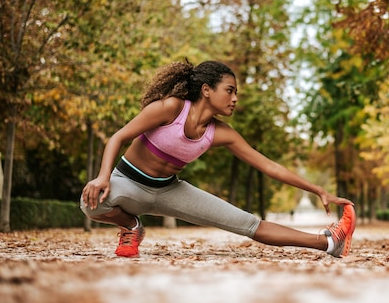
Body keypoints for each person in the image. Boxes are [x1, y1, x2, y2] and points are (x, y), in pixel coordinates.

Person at [80, 60, 356, 258]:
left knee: (248, 223)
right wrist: (103, 177)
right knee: (90, 202)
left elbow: (268, 166)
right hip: (127, 183)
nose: (235, 98)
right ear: (206, 90)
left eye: (236, 92)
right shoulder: (169, 108)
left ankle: (329, 242)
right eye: (230, 90)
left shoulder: (221, 133)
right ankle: (131, 225)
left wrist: (318, 189)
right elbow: (117, 137)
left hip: (169, 189)